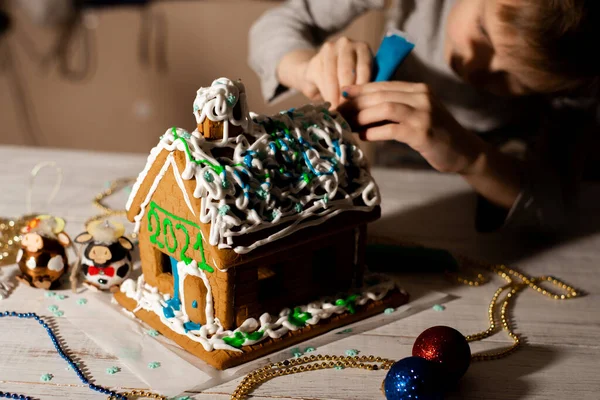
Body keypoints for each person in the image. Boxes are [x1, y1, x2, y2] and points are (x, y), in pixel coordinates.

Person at [247, 0, 599, 235]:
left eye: (515, 79)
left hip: (502, 180)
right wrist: (306, 66)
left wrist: (472, 158)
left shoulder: (580, 84)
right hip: (399, 166)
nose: (475, 66)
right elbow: (278, 24)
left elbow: (555, 208)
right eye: (482, 30)